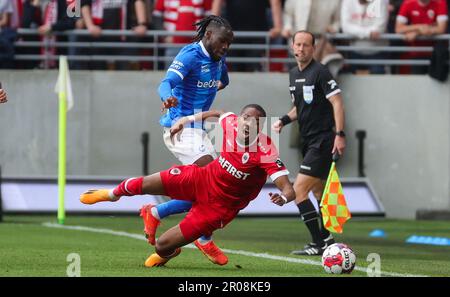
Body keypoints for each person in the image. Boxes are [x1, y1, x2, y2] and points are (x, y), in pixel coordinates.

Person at [80, 104, 295, 268]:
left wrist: (283, 198)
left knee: (162, 246)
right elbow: (219, 113)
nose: (249, 123)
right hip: (201, 178)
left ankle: (177, 246)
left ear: (261, 126)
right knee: (147, 183)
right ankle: (111, 194)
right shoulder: (230, 124)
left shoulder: (266, 150)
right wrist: (186, 120)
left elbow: (289, 189)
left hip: (218, 208)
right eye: (246, 118)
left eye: (256, 122)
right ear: (239, 119)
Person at [147, 15, 234, 265]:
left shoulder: (219, 58)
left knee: (211, 188)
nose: (225, 47)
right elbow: (167, 83)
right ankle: (203, 238)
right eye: (222, 41)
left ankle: (155, 212)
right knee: (211, 182)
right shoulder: (190, 55)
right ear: (208, 36)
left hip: (200, 130)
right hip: (179, 127)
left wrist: (209, 87)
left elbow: (224, 81)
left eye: (229, 43)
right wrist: (167, 98)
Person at [272, 30, 346, 256]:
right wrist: (284, 120)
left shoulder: (321, 72)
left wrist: (340, 134)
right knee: (318, 192)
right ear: (292, 47)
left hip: (323, 140)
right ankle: (328, 240)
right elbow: (300, 107)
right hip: (308, 140)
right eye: (298, 44)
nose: (301, 49)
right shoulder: (293, 74)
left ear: (313, 49)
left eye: (306, 45)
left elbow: (337, 102)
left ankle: (318, 242)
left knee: (299, 190)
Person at [395, 0, 448, 74]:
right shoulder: (407, 3)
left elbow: (441, 29)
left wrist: (417, 32)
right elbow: (398, 29)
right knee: (417, 82)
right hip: (417, 52)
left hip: (437, 53)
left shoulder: (440, 2)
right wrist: (419, 27)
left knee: (439, 81)